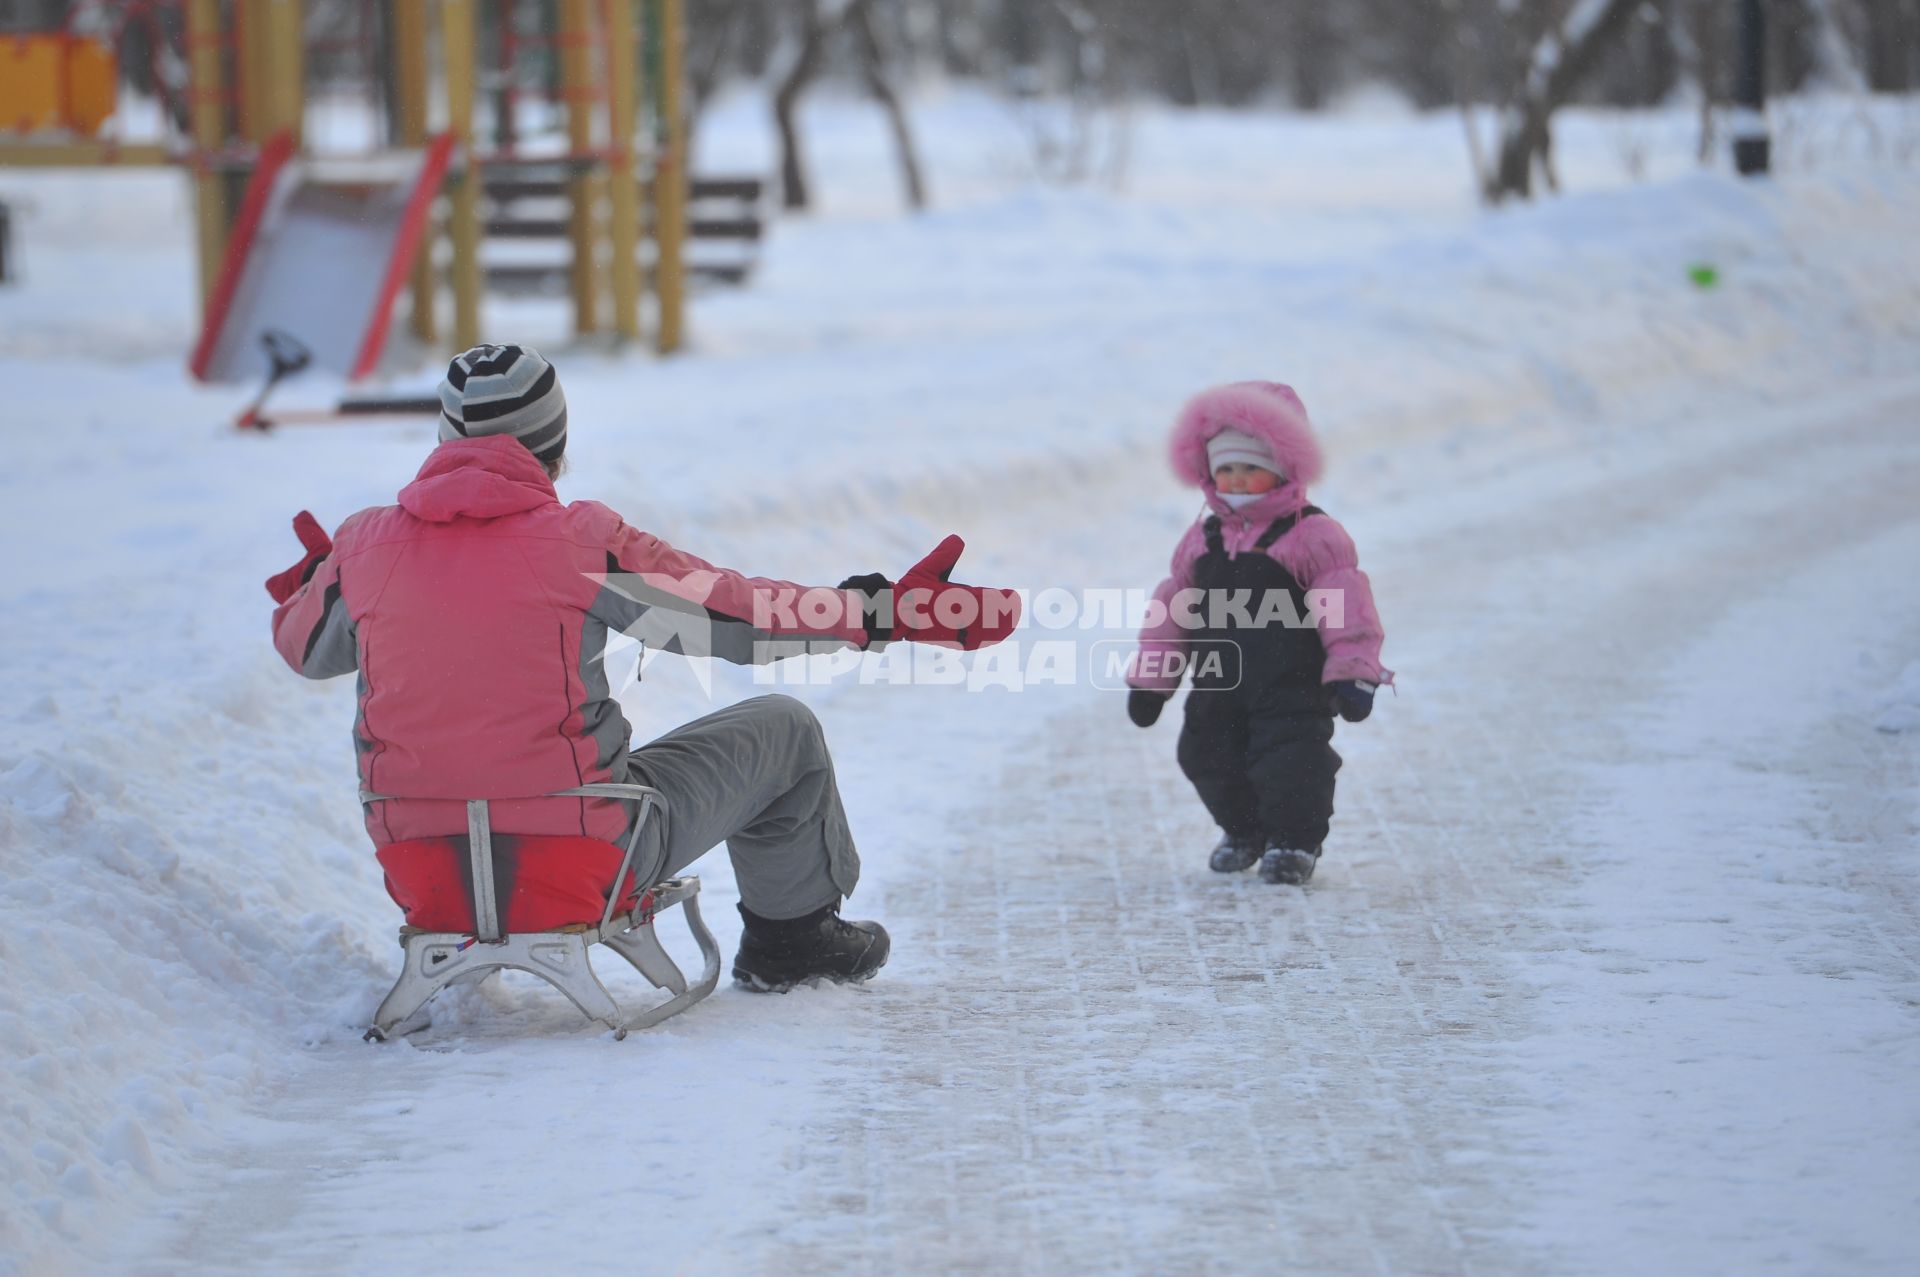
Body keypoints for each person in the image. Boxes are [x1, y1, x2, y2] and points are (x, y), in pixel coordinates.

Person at [266, 344, 1016, 991]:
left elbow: (304, 648)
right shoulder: (580, 543)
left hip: (426, 877)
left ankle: (481, 912)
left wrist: (314, 584)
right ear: (551, 445)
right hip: (582, 865)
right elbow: (735, 620)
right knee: (784, 730)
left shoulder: (363, 549)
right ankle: (792, 942)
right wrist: (881, 611)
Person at [1125, 381, 1390, 885]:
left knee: (1292, 762)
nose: (1238, 480)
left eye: (1251, 468)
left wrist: (1353, 673)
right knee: (1204, 755)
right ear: (1207, 471)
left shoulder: (1310, 536)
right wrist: (1151, 681)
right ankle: (1245, 831)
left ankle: (1294, 841)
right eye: (1226, 468)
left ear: (1283, 468)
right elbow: (1171, 610)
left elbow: (1346, 608)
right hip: (1217, 683)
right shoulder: (1202, 538)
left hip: (1291, 683)